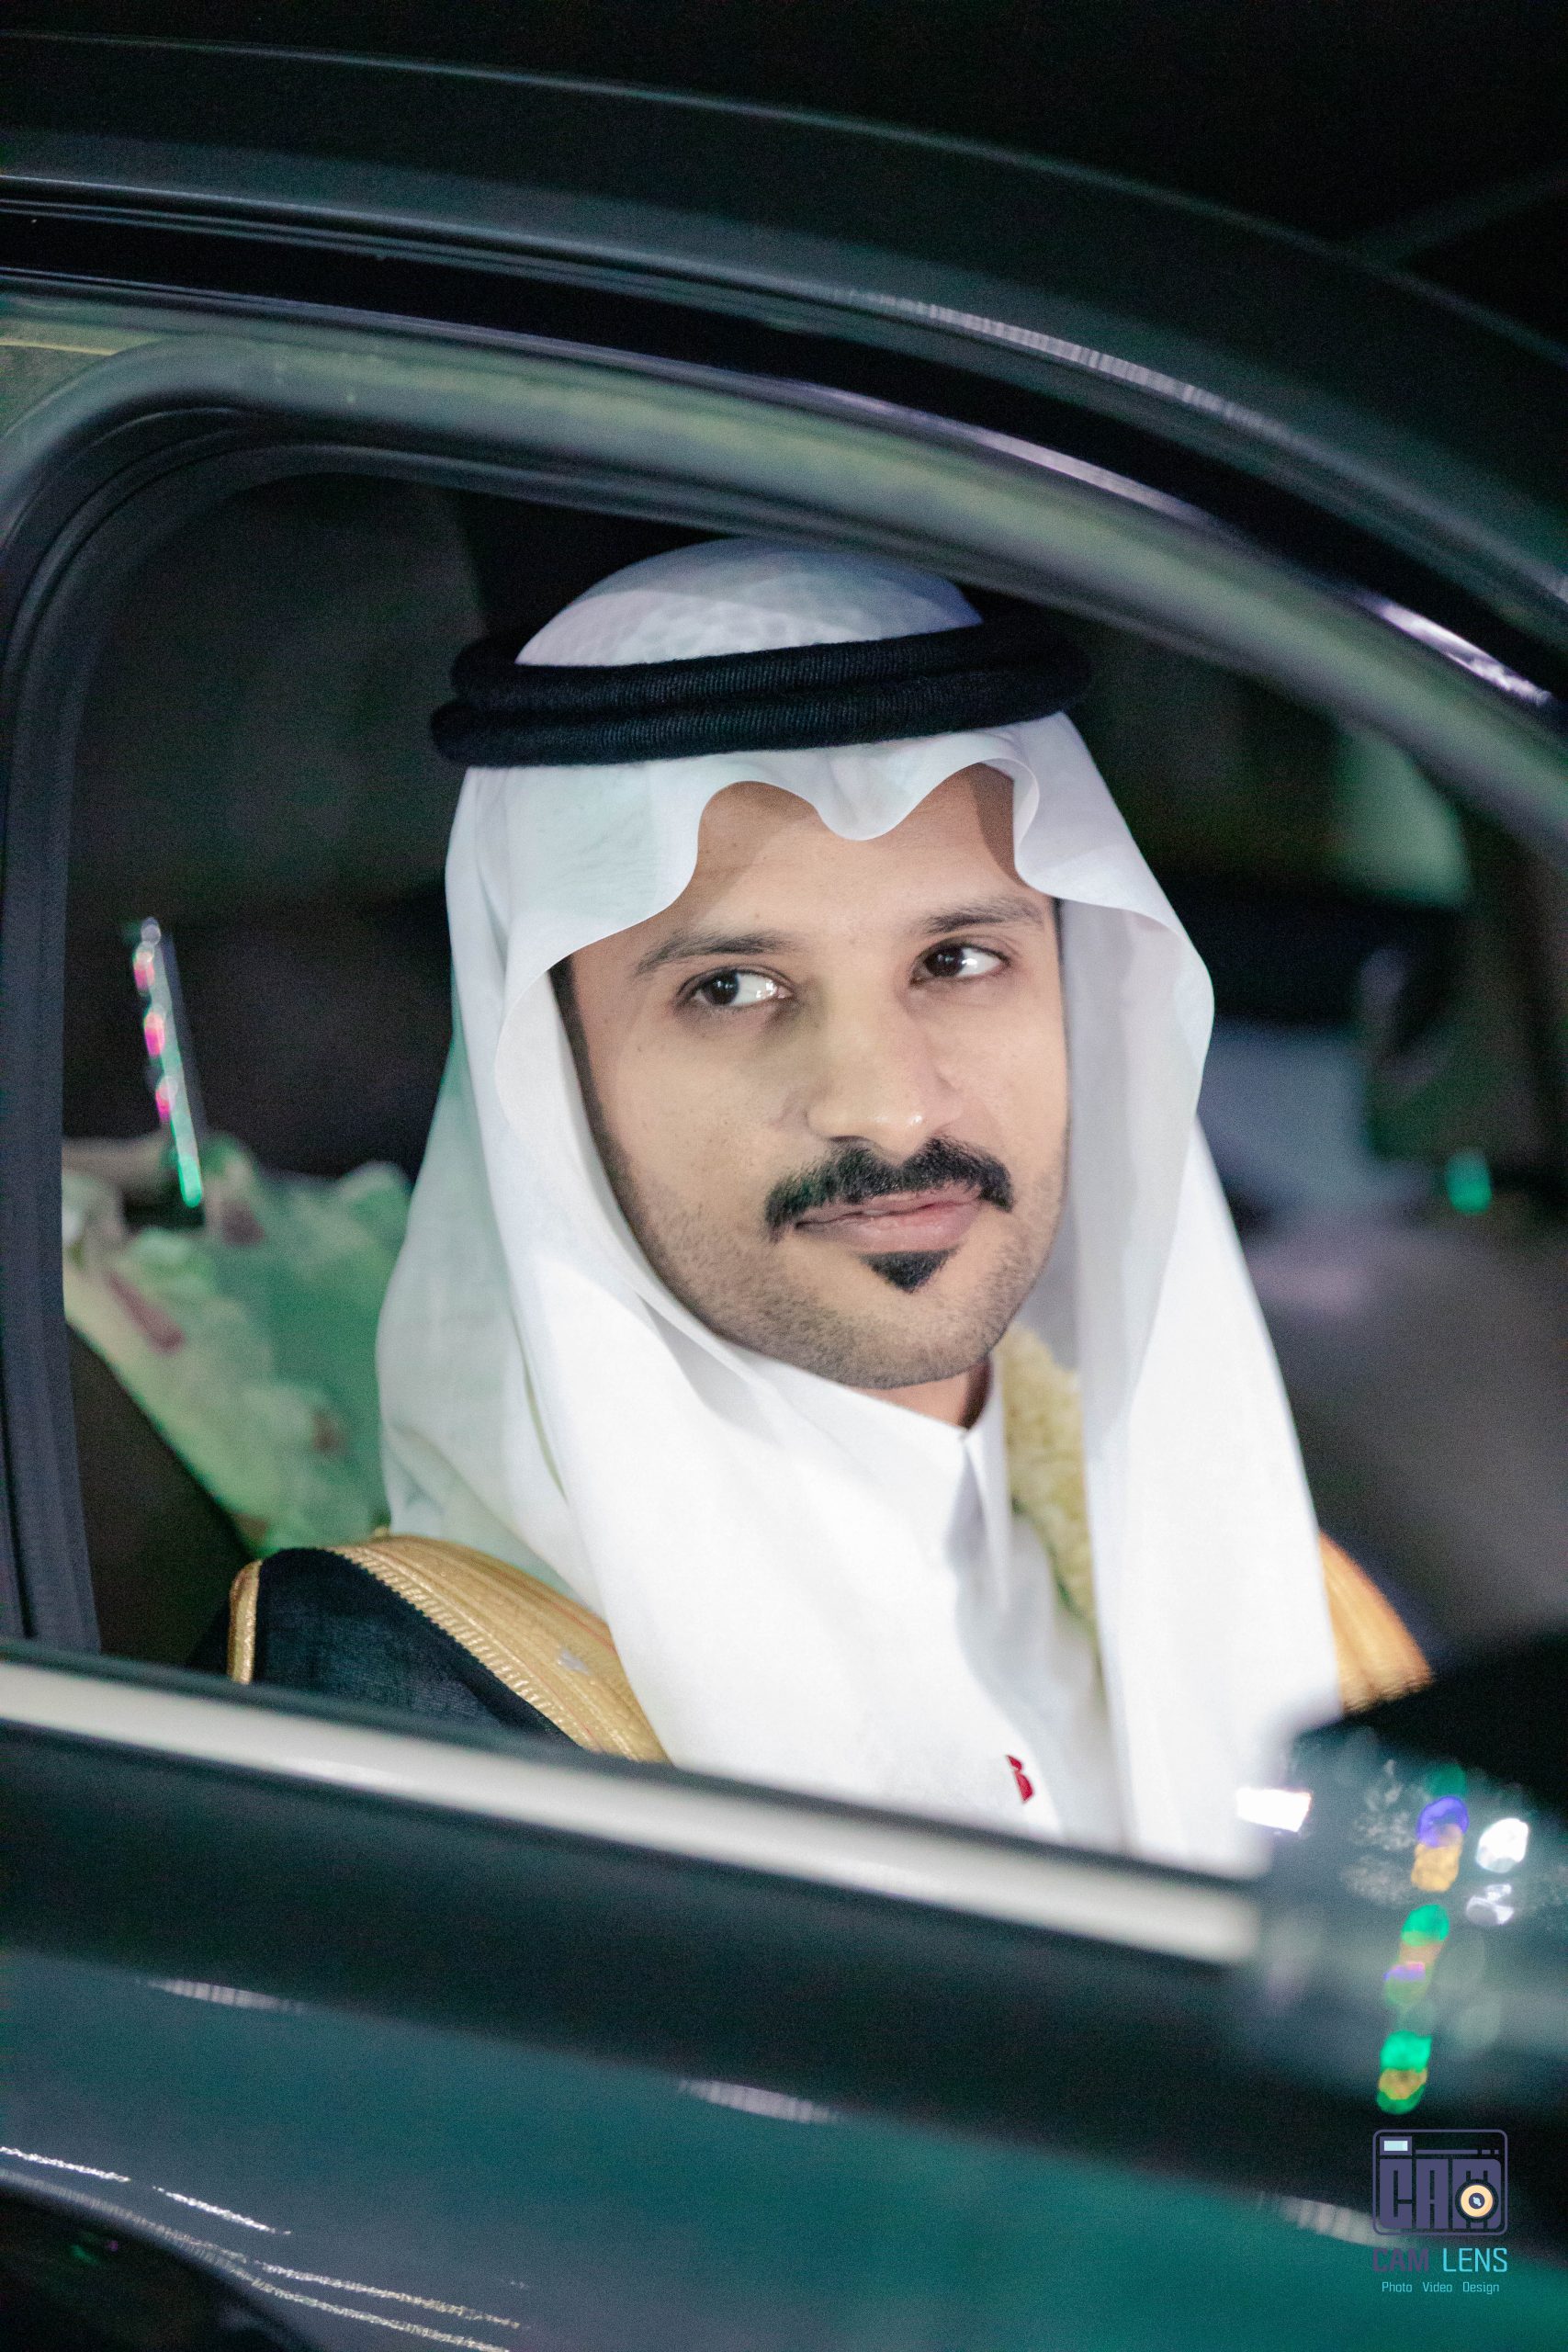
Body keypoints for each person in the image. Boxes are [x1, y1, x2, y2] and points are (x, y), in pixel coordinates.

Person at [228, 539, 1426, 1871]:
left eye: (958, 961)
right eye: (732, 990)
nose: (891, 1109)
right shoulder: (429, 1714)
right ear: (556, 1077)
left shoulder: (1293, 1611)